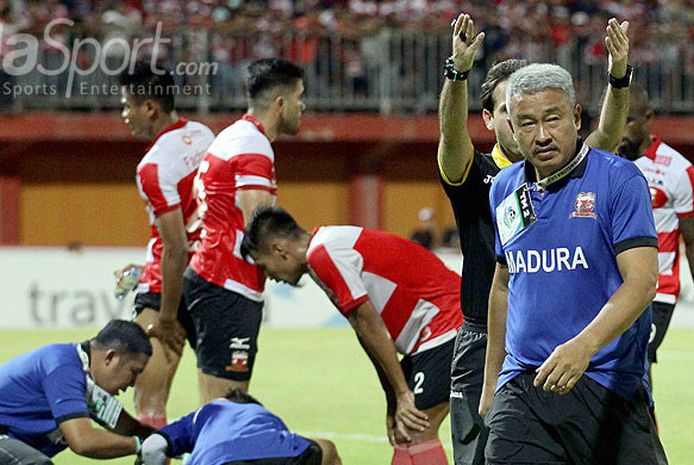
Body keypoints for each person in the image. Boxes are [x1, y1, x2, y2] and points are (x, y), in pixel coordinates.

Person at [437, 13, 631, 465]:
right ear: (490, 118)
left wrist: (618, 80)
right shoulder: (479, 175)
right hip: (486, 336)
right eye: (510, 112)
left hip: (559, 337)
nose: (526, 124)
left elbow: (606, 137)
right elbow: (450, 135)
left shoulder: (565, 171)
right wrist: (458, 72)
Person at [479, 63, 667, 464]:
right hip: (523, 389)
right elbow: (502, 284)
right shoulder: (505, 189)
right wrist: (492, 381)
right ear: (510, 126)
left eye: (553, 119)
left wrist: (584, 346)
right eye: (526, 123)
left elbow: (642, 282)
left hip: (605, 382)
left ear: (576, 117)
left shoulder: (620, 180)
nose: (542, 135)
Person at [241, 207, 463, 465]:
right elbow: (364, 333)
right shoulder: (324, 251)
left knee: (415, 430)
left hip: (448, 325)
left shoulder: (323, 254)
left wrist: (403, 394)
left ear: (279, 249)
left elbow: (370, 324)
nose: (268, 277)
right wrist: (392, 397)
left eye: (263, 266)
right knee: (406, 431)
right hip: (436, 332)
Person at [184, 58, 306, 404]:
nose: (303, 106)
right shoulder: (253, 147)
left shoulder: (233, 137)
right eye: (299, 98)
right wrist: (300, 261)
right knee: (226, 407)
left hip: (211, 275)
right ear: (280, 103)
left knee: (215, 404)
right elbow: (261, 229)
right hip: (228, 283)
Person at [118, 62, 216, 429]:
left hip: (166, 290)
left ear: (149, 107)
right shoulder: (204, 135)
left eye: (127, 105)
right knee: (218, 403)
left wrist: (167, 317)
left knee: (149, 408)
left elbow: (174, 246)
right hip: (209, 279)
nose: (124, 114)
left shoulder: (152, 166)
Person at [617, 83, 694, 389]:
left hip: (656, 293)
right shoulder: (601, 162)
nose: (621, 130)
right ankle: (643, 436)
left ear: (647, 118)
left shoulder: (679, 171)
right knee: (630, 384)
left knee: (627, 366)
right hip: (609, 289)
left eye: (629, 120)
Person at [0, 320, 154, 464]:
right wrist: (139, 445)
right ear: (111, 357)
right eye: (134, 371)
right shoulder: (63, 368)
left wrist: (167, 440)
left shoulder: (85, 378)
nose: (133, 383)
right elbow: (83, 441)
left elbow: (129, 428)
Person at [137, 389, 341, 465]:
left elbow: (152, 447)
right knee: (327, 449)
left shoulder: (205, 414)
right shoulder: (265, 418)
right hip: (277, 457)